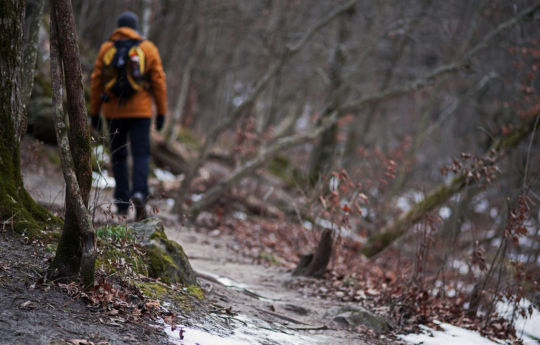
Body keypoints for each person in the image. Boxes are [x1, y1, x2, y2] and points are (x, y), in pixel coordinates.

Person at [89, 11, 167, 220]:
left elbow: (96, 81)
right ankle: (140, 192)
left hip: (113, 111)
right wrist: (161, 111)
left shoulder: (107, 48)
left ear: (118, 27)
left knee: (118, 156)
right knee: (141, 154)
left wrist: (94, 112)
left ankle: (122, 203)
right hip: (141, 112)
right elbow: (159, 81)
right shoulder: (147, 48)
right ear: (135, 27)